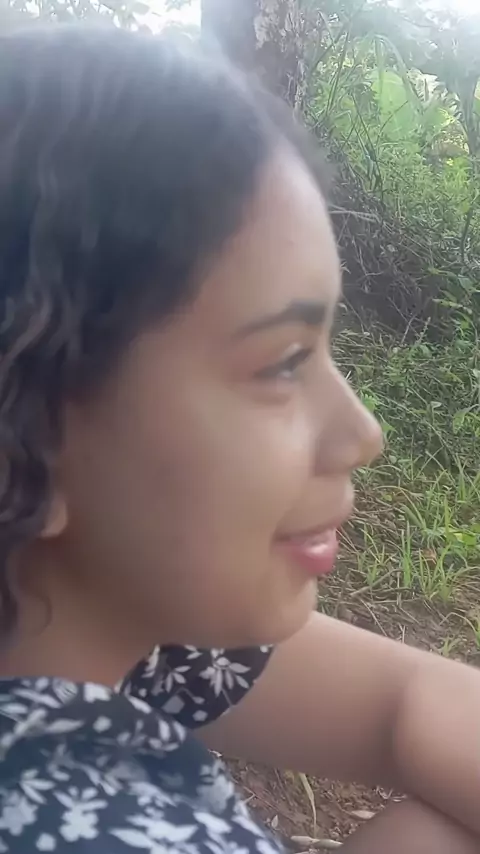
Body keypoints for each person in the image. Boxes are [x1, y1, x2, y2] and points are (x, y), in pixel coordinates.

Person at [0, 24, 478, 854]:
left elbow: (408, 702)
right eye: (283, 363)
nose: (363, 434)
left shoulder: (77, 624)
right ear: (23, 438)